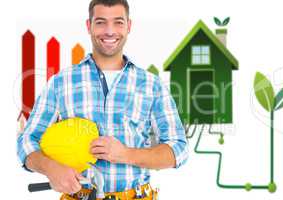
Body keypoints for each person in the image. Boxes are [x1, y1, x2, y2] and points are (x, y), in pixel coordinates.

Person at [17, 0, 188, 199]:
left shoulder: (151, 85)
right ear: (88, 26)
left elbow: (178, 148)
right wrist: (50, 168)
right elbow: (27, 140)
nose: (109, 31)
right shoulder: (60, 83)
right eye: (100, 22)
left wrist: (126, 154)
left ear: (128, 26)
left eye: (118, 22)